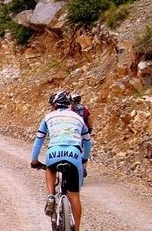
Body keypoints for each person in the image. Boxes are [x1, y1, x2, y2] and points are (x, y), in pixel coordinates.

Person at [31, 90, 92, 231]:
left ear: (54, 104)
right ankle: (76, 229)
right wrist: (84, 159)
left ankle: (51, 196)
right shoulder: (78, 118)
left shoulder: (48, 117)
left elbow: (39, 140)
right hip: (74, 154)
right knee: (75, 196)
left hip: (54, 153)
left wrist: (34, 160)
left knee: (50, 168)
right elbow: (88, 142)